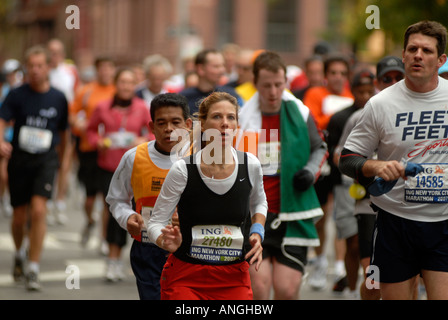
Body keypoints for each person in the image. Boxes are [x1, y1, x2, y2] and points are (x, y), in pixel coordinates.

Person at [339, 20, 448, 300]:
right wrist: (376, 166)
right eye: (412, 49)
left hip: (443, 221)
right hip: (395, 222)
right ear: (403, 55)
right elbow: (347, 159)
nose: (418, 56)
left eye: (426, 50)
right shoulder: (381, 104)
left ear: (441, 59)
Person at [147, 91, 267, 300]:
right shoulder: (183, 169)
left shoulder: (250, 165)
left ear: (237, 124)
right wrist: (165, 241)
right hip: (186, 276)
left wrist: (257, 232)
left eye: (231, 117)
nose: (225, 123)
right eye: (217, 117)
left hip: (233, 277)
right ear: (202, 123)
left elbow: (259, 202)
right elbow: (155, 222)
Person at [236, 51, 327, 300]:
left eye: (279, 84)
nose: (274, 91)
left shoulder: (300, 112)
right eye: (267, 85)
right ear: (255, 84)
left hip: (292, 213)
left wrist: (309, 172)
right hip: (254, 217)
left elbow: (320, 147)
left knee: (286, 291)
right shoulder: (241, 119)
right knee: (260, 290)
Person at [106, 92, 192, 299]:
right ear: (152, 127)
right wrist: (127, 217)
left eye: (175, 122)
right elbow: (116, 199)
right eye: (161, 123)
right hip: (148, 248)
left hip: (190, 249)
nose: (169, 128)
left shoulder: (201, 159)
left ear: (188, 125)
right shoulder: (134, 157)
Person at [335, 55, 404, 300]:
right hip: (368, 206)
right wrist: (368, 169)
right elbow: (341, 156)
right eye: (387, 78)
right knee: (373, 280)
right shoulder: (363, 115)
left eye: (399, 77)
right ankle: (357, 292)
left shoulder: (417, 111)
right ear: (378, 81)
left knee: (409, 281)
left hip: (407, 207)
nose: (393, 82)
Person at [0, 45, 69, 291]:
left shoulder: (58, 97)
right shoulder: (16, 94)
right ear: (26, 68)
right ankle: (19, 252)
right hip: (20, 159)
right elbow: (2, 120)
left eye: (40, 66)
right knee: (19, 217)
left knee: (39, 211)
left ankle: (33, 268)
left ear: (48, 67)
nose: (36, 70)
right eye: (31, 66)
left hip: (45, 160)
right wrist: (1, 141)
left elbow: (63, 132)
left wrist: (63, 162)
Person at [87, 68, 152, 282]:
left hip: (136, 168)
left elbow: (153, 131)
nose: (126, 86)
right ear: (116, 84)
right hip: (109, 166)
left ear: (135, 85)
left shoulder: (142, 108)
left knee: (133, 213)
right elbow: (90, 131)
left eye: (130, 82)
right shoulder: (103, 106)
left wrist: (142, 140)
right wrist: (100, 141)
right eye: (122, 82)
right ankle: (112, 261)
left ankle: (120, 258)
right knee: (114, 211)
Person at [303, 53, 354, 291]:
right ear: (326, 75)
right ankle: (321, 259)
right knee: (322, 214)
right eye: (333, 73)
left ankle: (340, 266)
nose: (338, 78)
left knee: (343, 215)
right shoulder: (315, 94)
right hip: (322, 158)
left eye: (343, 74)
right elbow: (314, 121)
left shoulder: (352, 95)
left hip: (344, 159)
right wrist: (339, 116)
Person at [326, 69, 376, 297]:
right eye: (360, 91)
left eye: (369, 90)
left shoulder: (381, 111)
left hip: (378, 191)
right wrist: (358, 165)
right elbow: (336, 154)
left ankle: (370, 287)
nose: (365, 95)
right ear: (352, 90)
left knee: (373, 246)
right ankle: (352, 288)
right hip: (349, 189)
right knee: (353, 242)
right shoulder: (345, 118)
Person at [70, 56, 116, 250]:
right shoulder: (87, 91)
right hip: (89, 149)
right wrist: (78, 124)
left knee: (108, 198)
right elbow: (72, 113)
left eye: (109, 68)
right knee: (89, 198)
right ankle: (90, 220)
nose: (105, 72)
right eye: (102, 68)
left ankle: (104, 239)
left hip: (110, 151)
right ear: (97, 71)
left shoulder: (117, 91)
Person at [47, 38, 80, 225]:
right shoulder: (42, 71)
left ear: (63, 54)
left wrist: (74, 115)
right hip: (47, 122)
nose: (55, 56)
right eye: (51, 52)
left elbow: (75, 96)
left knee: (64, 162)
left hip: (65, 122)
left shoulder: (70, 72)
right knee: (49, 160)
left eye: (58, 52)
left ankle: (59, 201)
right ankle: (48, 199)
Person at [179, 49, 243, 116]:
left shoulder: (231, 95)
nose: (222, 70)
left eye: (223, 65)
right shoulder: (184, 99)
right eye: (216, 66)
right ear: (200, 69)